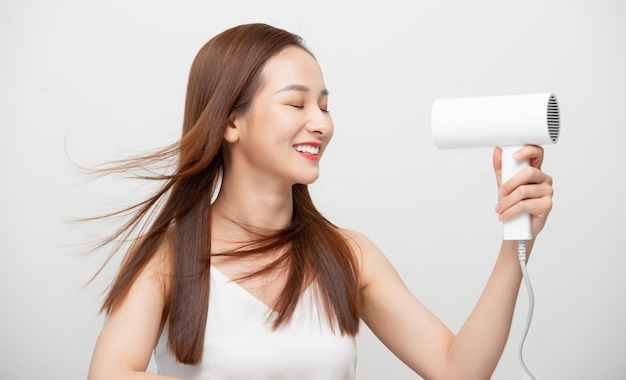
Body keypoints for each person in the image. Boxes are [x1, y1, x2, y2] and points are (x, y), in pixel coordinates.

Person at [87, 23, 554, 380]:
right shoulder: (167, 258)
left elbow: (458, 370)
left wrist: (517, 242)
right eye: (297, 104)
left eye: (325, 106)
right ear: (231, 122)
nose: (322, 124)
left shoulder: (349, 255)